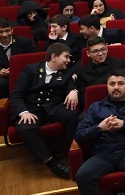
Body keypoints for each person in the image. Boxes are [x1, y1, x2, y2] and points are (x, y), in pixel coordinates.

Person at [10, 43, 78, 179]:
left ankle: (75, 155)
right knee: (24, 128)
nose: (69, 60)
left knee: (71, 115)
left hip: (54, 107)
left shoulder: (67, 72)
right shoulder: (31, 70)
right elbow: (16, 94)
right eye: (66, 57)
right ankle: (53, 165)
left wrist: (74, 91)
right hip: (32, 109)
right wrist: (23, 112)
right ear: (54, 56)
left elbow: (71, 85)